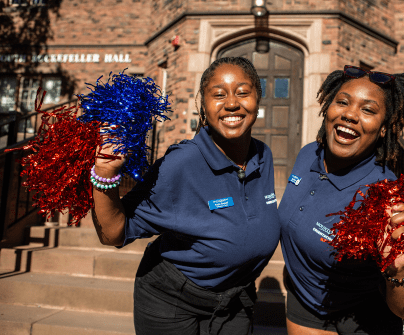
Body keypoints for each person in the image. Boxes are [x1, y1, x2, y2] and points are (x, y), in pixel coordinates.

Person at [90, 57, 281, 335]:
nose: (231, 103)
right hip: (172, 302)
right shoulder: (180, 164)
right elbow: (113, 233)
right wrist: (105, 176)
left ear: (258, 100)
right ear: (202, 105)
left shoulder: (264, 155)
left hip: (236, 301)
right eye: (218, 95)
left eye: (243, 92)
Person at [279, 65, 404, 335]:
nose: (350, 114)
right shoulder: (307, 155)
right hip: (304, 305)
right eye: (343, 102)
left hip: (365, 319)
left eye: (368, 109)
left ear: (384, 128)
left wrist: (396, 273)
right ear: (328, 107)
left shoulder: (388, 196)